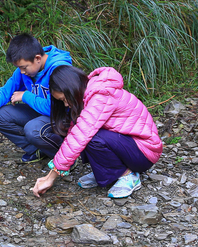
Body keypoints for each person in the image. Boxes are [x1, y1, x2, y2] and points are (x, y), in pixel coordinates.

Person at [31, 64, 162, 199]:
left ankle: (128, 175)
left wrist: (51, 178)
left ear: (71, 88)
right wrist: (49, 174)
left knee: (91, 137)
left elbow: (81, 135)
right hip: (128, 146)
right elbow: (73, 134)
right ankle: (105, 170)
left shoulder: (101, 95)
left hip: (144, 152)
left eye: (64, 99)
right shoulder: (89, 96)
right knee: (82, 134)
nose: (65, 105)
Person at [0, 34, 73, 163]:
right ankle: (37, 150)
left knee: (33, 129)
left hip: (59, 115)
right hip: (39, 111)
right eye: (19, 68)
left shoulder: (58, 69)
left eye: (24, 67)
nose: (22, 72)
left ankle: (65, 158)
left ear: (37, 58)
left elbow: (53, 108)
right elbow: (4, 92)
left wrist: (25, 96)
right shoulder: (24, 70)